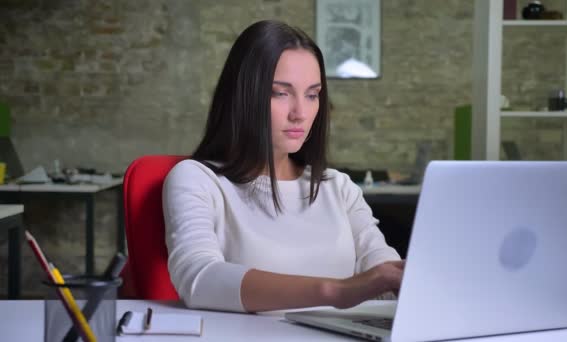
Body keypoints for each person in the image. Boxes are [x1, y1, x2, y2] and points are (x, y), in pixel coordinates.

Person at [163, 20, 403, 313]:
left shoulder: (337, 187)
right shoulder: (198, 179)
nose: (300, 113)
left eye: (312, 95)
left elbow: (386, 276)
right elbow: (199, 279)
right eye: (280, 92)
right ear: (243, 96)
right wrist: (335, 291)